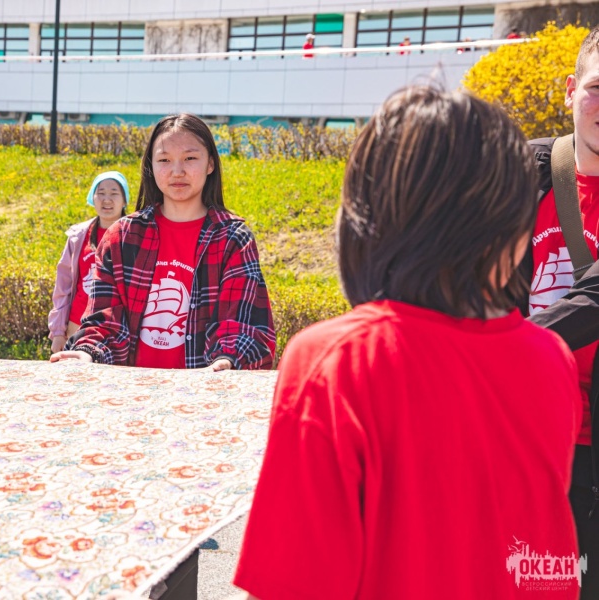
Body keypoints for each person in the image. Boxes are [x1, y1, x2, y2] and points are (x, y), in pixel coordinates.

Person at [233, 86, 581, 599]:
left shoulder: (333, 361)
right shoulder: (551, 359)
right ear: (513, 228)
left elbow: (291, 585)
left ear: (367, 218)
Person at [50, 113, 275, 370]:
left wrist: (227, 360)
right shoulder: (122, 236)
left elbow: (243, 324)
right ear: (151, 166)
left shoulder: (232, 238)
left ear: (210, 164)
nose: (177, 171)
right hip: (129, 388)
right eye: (164, 160)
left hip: (204, 388)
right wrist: (88, 351)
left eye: (190, 158)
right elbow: (104, 321)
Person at [518, 25, 599, 598]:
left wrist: (504, 349)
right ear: (571, 89)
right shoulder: (523, 174)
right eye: (598, 88)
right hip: (529, 433)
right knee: (528, 583)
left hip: (591, 441)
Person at [48, 171, 130, 353]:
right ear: (92, 198)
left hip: (117, 328)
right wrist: (58, 331)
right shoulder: (78, 236)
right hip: (77, 325)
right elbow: (63, 286)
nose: (107, 199)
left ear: (125, 200)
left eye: (114, 193)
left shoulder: (134, 236)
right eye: (100, 193)